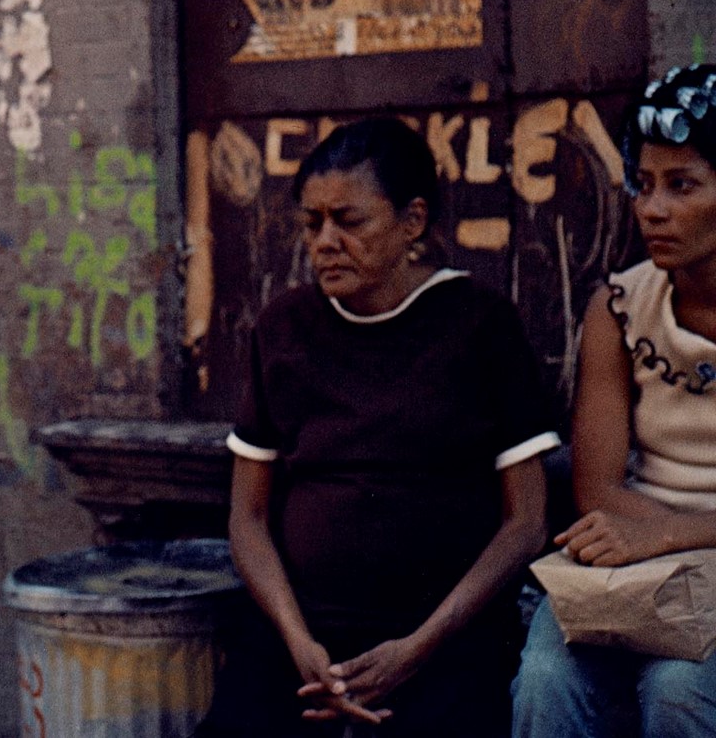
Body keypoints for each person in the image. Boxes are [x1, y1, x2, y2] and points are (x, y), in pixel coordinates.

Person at [200, 116, 557, 737]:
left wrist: (418, 646)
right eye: (312, 224)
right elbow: (248, 518)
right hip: (302, 636)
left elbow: (524, 524)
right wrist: (296, 639)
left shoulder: (479, 324)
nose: (325, 241)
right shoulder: (283, 328)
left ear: (412, 221)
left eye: (350, 220)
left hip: (443, 638)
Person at [512, 66, 716, 737]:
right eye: (644, 184)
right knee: (544, 680)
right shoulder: (620, 307)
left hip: (665, 543)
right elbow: (598, 488)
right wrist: (642, 538)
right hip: (631, 548)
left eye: (682, 185)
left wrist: (663, 533)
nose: (652, 209)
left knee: (679, 690)